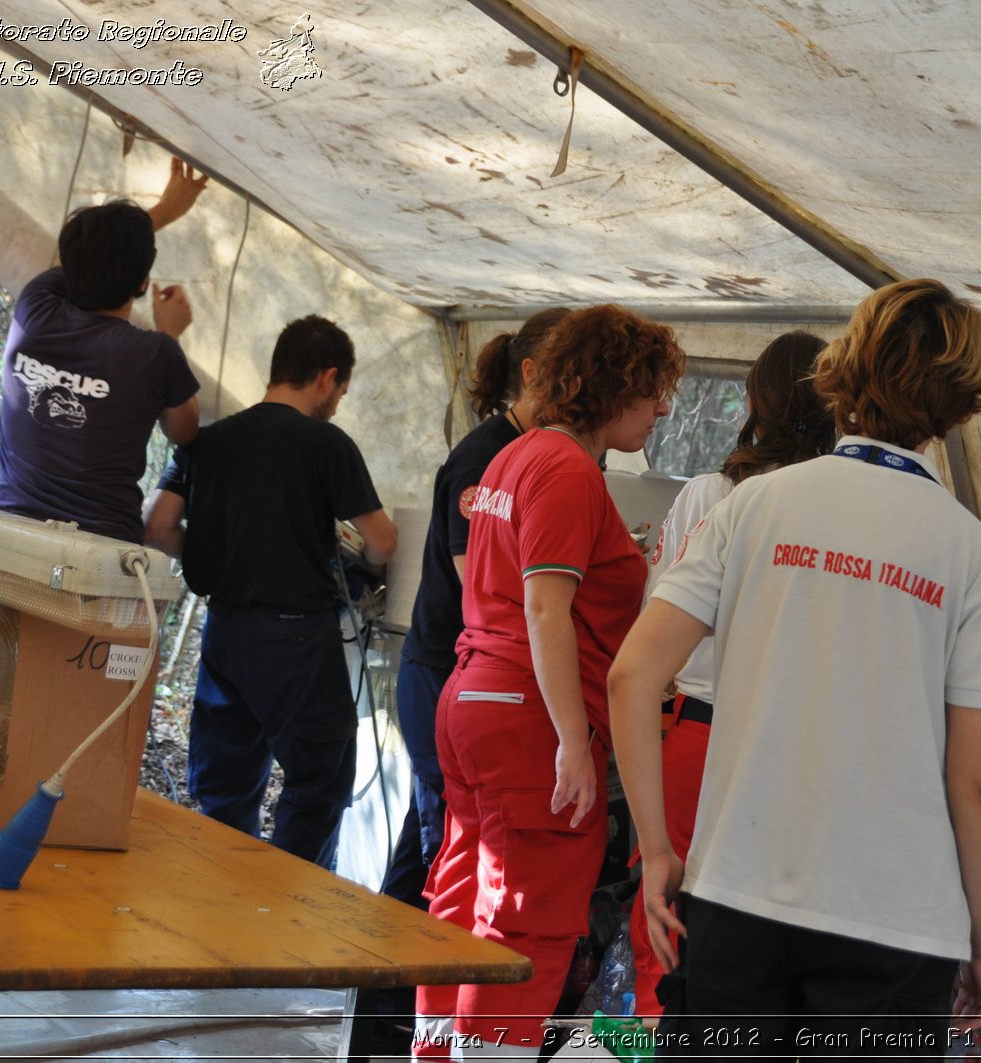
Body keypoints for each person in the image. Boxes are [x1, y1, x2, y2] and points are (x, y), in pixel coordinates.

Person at [608, 278, 981, 1057]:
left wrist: (658, 847)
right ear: (963, 400)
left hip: (736, 895)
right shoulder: (972, 553)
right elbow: (977, 779)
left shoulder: (751, 505)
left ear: (846, 367)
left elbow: (632, 676)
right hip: (894, 922)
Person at [414, 305, 685, 1061]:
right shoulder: (566, 467)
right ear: (612, 386)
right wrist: (573, 737)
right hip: (526, 713)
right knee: (526, 916)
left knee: (463, 900)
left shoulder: (516, 454)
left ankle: (437, 1053)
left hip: (472, 696)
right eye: (654, 390)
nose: (662, 408)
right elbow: (544, 605)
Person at [627, 329, 834, 1019]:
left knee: (665, 919)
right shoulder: (840, 506)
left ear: (753, 399)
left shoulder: (713, 493)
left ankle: (655, 1037)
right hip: (796, 749)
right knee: (772, 937)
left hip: (700, 729)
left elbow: (654, 635)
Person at [143, 315, 398, 868]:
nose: (336, 402)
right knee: (319, 779)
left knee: (225, 785)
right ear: (327, 378)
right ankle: (289, 907)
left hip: (226, 630)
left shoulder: (205, 441)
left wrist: (214, 556)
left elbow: (159, 525)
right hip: (297, 641)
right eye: (341, 391)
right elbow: (380, 540)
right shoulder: (326, 444)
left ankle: (224, 901)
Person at [379, 307, 570, 911]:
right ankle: (423, 1000)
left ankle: (382, 998)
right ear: (535, 373)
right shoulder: (485, 456)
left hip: (471, 675)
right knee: (449, 847)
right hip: (444, 669)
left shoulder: (540, 451)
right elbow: (483, 589)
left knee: (424, 846)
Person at [0, 158, 208, 543]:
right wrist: (171, 331)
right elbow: (185, 431)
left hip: (8, 539)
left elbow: (85, 259)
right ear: (143, 284)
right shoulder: (157, 353)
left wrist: (162, 211)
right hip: (100, 553)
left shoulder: (35, 307)